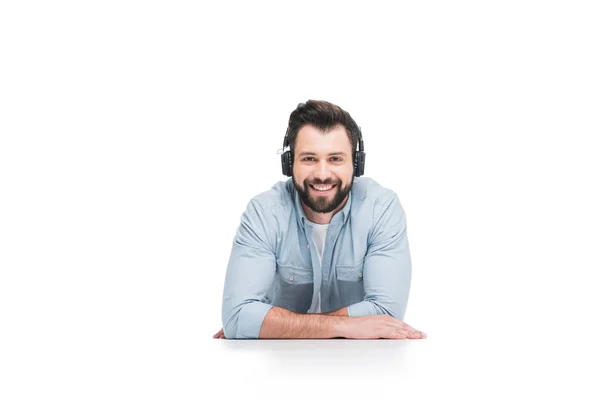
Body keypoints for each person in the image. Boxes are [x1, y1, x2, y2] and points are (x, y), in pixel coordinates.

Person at [213, 100, 426, 340]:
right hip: (276, 368)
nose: (322, 174)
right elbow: (238, 318)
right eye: (309, 159)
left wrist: (268, 323)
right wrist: (346, 326)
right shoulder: (264, 213)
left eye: (335, 159)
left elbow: (387, 314)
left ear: (356, 164)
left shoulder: (381, 209)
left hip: (363, 367)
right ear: (289, 163)